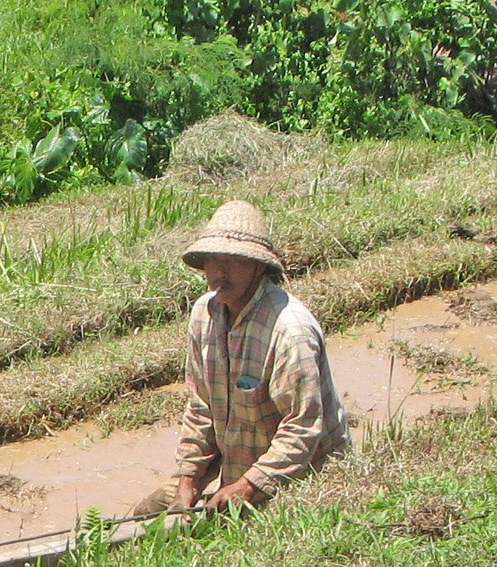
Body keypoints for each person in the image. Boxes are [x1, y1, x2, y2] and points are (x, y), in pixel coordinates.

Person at [135, 200, 349, 519]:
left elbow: (303, 427)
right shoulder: (203, 316)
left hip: (300, 476)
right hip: (239, 473)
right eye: (213, 260)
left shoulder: (290, 331)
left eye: (233, 262)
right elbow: (201, 406)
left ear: (258, 267)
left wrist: (249, 486)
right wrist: (189, 476)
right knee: (144, 515)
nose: (219, 271)